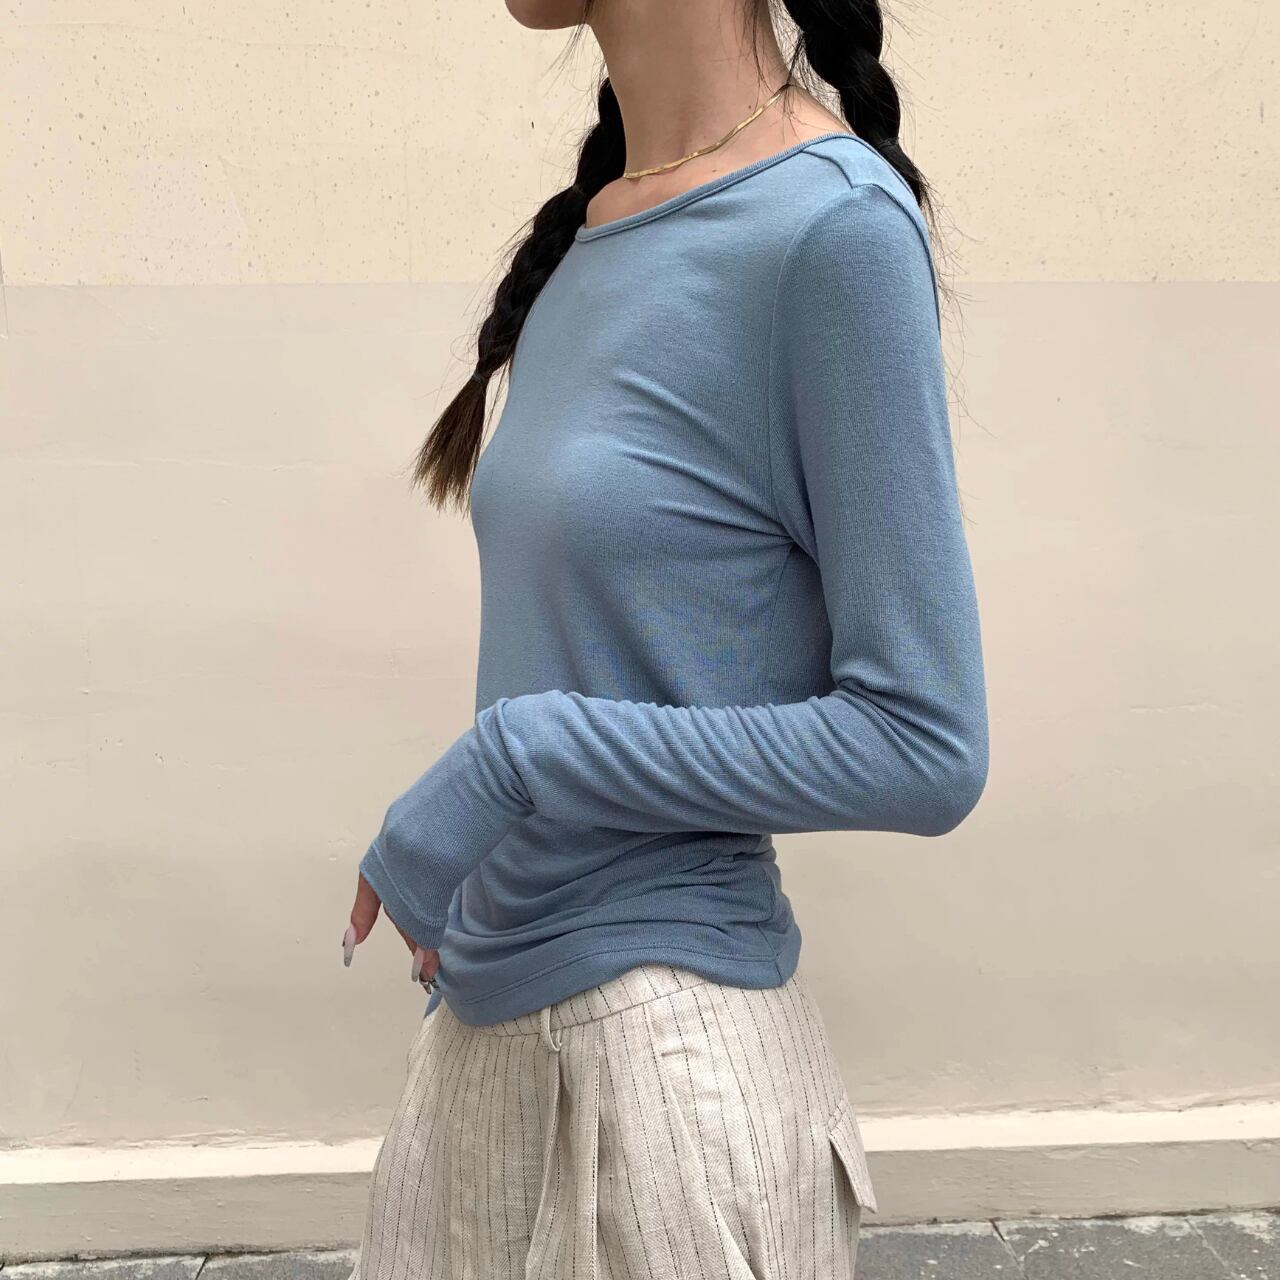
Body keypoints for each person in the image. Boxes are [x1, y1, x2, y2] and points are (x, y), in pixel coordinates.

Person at [342, 0, 989, 1275]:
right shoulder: (592, 230)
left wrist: (521, 756)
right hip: (477, 1040)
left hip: (664, 1085)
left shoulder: (834, 230)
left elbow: (925, 743)